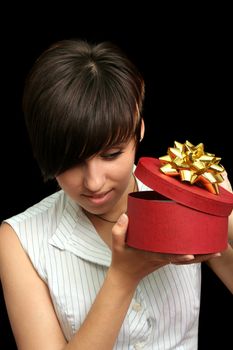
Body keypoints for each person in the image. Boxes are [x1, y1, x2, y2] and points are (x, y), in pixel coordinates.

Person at [0, 38, 232, 350]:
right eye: (70, 162)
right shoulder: (20, 238)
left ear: (140, 128)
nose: (93, 182)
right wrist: (122, 278)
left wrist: (225, 217)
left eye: (111, 154)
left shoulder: (183, 191)